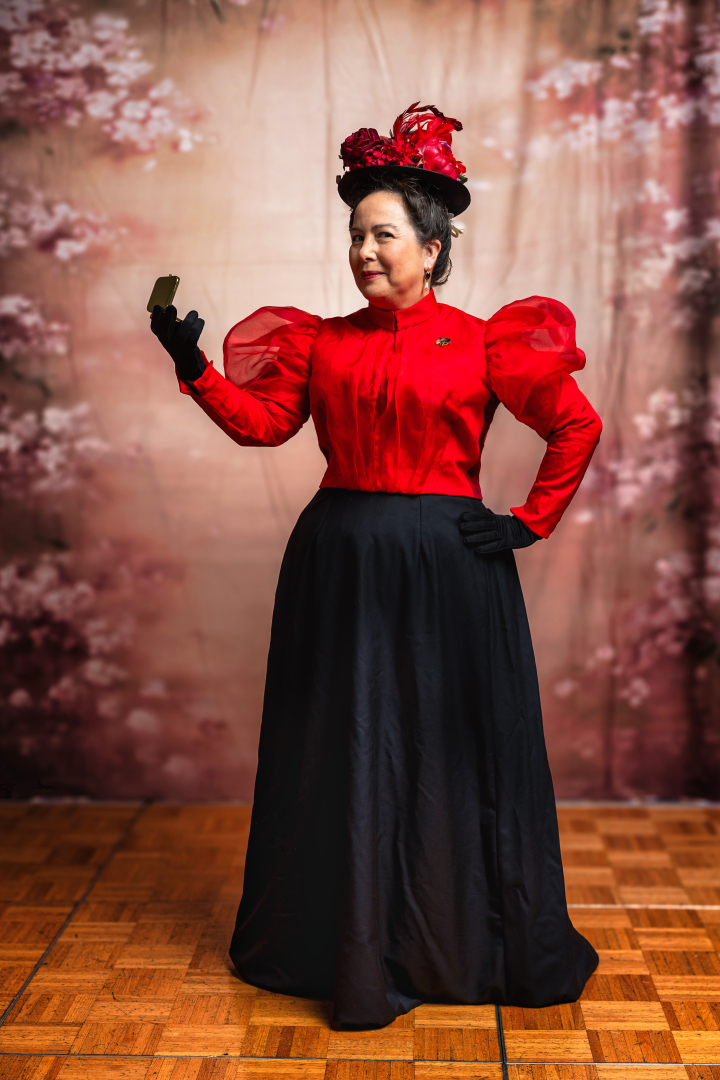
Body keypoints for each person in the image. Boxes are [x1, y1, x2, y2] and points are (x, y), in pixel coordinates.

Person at [150, 103, 601, 1030]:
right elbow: (265, 424)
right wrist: (193, 361)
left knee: (442, 752)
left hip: (449, 575)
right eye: (356, 234)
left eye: (382, 234)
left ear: (432, 248)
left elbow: (575, 424)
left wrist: (527, 523)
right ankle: (340, 941)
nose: (363, 250)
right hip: (341, 566)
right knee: (345, 748)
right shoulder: (320, 340)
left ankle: (451, 937)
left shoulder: (485, 340)